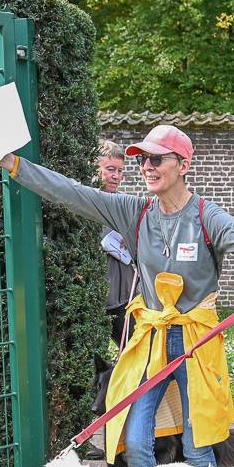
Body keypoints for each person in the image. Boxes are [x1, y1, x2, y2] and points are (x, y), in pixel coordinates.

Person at [0, 124, 234, 467]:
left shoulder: (206, 216)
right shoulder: (135, 212)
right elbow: (71, 192)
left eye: (156, 159)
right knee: (138, 442)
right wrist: (11, 162)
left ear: (183, 166)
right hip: (151, 339)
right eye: (142, 161)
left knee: (197, 444)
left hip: (196, 342)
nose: (146, 167)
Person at [93, 140, 136, 346]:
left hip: (125, 301)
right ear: (95, 167)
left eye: (120, 171)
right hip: (93, 301)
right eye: (110, 169)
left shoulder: (127, 205)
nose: (116, 176)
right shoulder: (83, 203)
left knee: (136, 359)